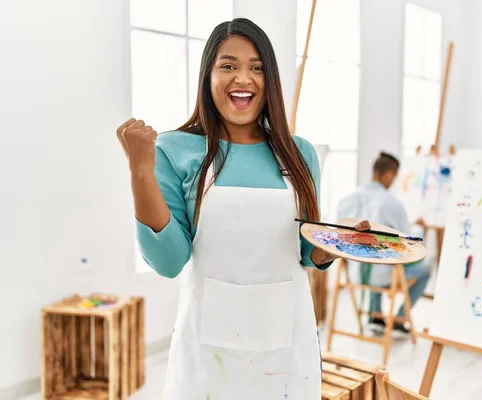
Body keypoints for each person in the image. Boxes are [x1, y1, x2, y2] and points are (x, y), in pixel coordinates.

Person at [116, 18, 371, 399]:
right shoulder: (176, 150)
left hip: (286, 351)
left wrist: (337, 238)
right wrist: (140, 172)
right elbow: (168, 262)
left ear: (270, 80)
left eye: (256, 68)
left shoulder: (298, 154)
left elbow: (307, 254)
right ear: (208, 76)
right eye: (229, 65)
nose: (243, 78)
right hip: (207, 356)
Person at [337, 152, 430, 335]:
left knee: (372, 249)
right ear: (388, 174)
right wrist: (419, 229)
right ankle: (399, 318)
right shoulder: (391, 203)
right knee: (425, 268)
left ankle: (377, 316)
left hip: (353, 272)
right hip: (381, 274)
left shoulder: (347, 198)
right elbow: (410, 242)